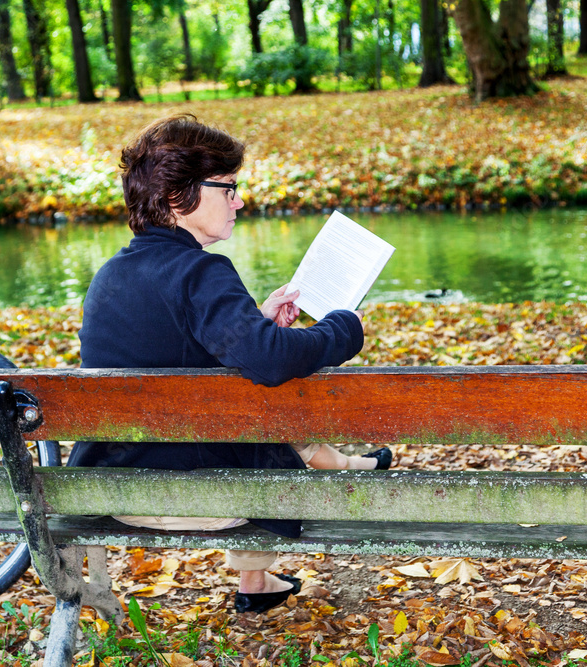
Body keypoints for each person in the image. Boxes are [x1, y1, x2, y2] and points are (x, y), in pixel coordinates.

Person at [67, 114, 393, 614]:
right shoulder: (201, 271)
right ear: (181, 198)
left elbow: (172, 351)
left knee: (244, 405)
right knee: (267, 400)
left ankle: (268, 569)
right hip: (197, 496)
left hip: (115, 487)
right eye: (229, 188)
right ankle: (341, 468)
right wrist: (343, 327)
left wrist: (255, 321)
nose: (239, 200)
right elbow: (271, 361)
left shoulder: (110, 274)